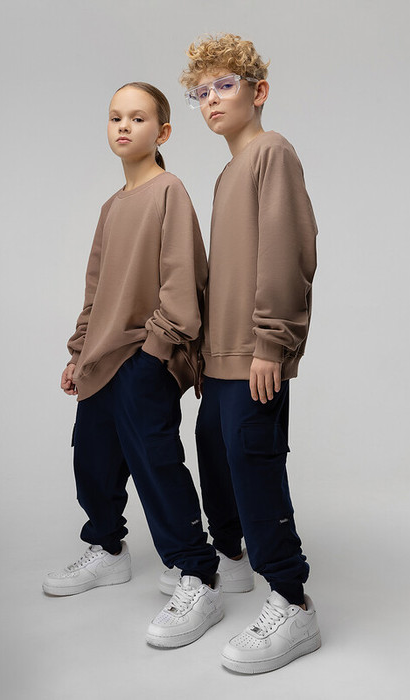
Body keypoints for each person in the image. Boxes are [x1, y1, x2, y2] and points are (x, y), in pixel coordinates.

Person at [42, 82, 223, 648]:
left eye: (138, 118)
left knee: (156, 463)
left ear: (163, 132)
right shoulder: (111, 207)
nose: (124, 126)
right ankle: (107, 548)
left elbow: (183, 281)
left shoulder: (170, 192)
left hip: (146, 356)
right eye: (116, 117)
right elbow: (95, 290)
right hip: (101, 359)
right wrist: (79, 352)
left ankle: (197, 575)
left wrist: (155, 354)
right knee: (93, 459)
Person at [176, 34, 321, 673]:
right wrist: (206, 354)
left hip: (256, 351)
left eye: (224, 85)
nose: (211, 100)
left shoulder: (272, 153)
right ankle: (231, 558)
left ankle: (291, 600)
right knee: (213, 449)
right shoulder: (229, 170)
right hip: (222, 355)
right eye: (200, 92)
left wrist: (271, 343)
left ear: (258, 92)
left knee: (253, 462)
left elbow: (288, 251)